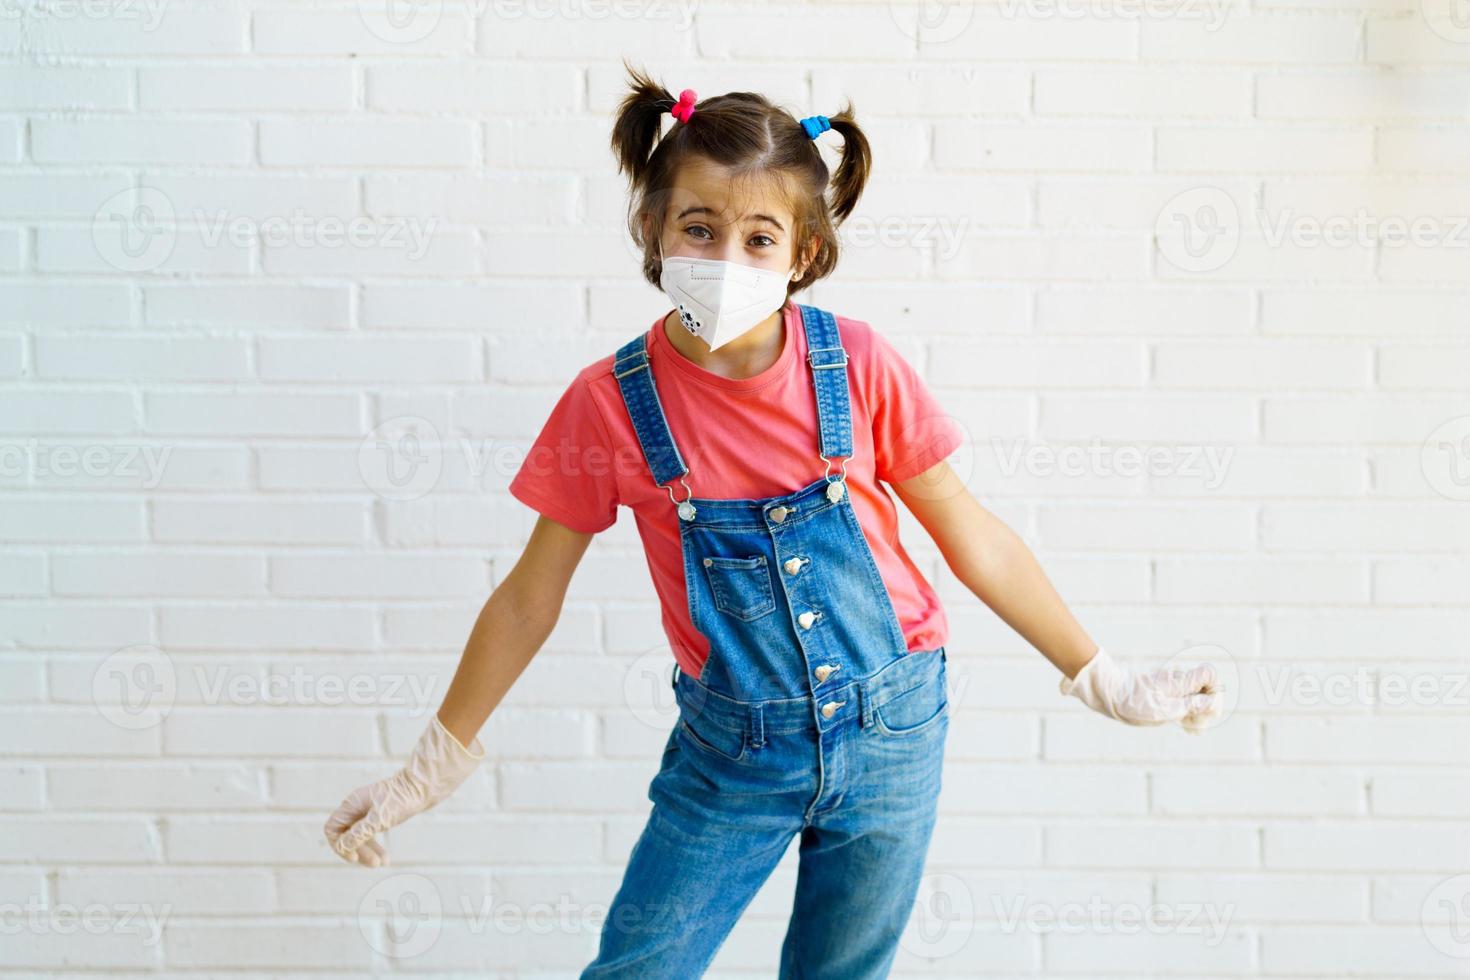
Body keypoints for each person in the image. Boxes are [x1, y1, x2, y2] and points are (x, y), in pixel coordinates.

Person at [323, 63, 1225, 977]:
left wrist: (1102, 676)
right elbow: (528, 597)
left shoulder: (857, 365)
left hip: (896, 732)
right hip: (733, 757)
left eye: (759, 239)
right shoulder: (608, 405)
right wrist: (429, 767)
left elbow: (971, 534)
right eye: (699, 229)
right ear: (652, 227)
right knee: (638, 968)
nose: (725, 262)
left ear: (804, 253)